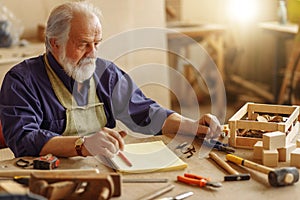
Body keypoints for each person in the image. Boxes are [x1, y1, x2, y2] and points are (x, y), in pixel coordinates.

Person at [0, 1, 221, 158]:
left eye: (97, 43)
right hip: (48, 179)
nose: (93, 53)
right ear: (55, 43)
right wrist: (82, 145)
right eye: (83, 44)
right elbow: (24, 138)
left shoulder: (106, 73)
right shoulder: (21, 80)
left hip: (102, 169)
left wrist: (192, 126)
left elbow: (146, 112)